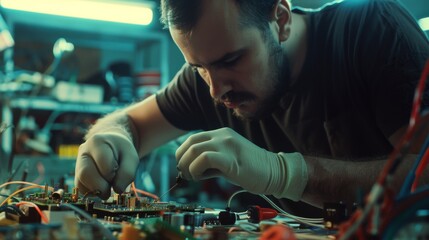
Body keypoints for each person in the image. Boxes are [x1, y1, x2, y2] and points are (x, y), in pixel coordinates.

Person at [74, 0, 429, 212]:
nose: (215, 89)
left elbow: (424, 177)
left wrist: (287, 174)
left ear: (281, 20)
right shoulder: (212, 73)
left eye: (232, 59)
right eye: (199, 68)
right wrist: (108, 137)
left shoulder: (372, 31)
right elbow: (131, 124)